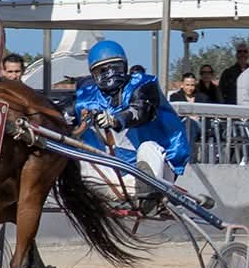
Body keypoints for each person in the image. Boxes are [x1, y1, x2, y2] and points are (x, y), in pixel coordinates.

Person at [68, 39, 192, 185]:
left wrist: (115, 120)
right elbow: (59, 115)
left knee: (148, 148)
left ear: (125, 67)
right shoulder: (85, 97)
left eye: (115, 68)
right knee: (75, 159)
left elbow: (140, 112)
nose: (110, 75)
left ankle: (148, 194)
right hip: (114, 169)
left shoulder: (144, 84)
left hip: (159, 162)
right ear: (93, 75)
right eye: (102, 71)